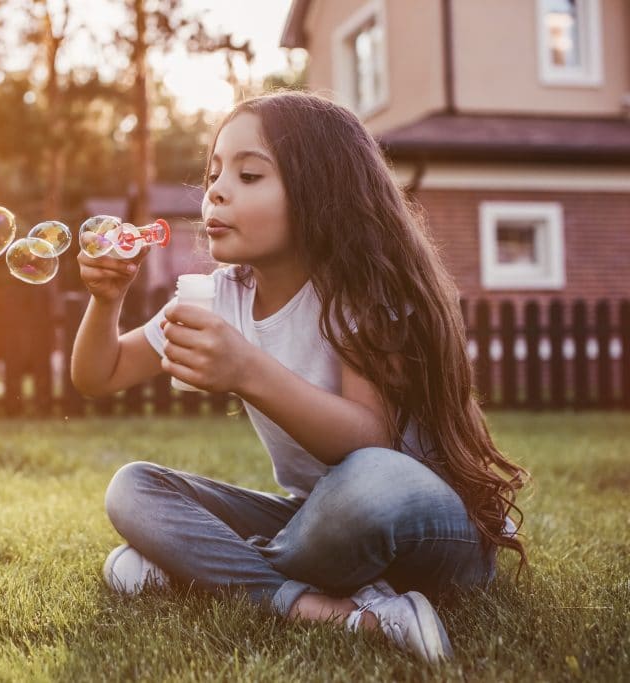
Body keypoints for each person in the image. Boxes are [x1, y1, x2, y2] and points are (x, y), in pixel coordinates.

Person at [69, 90, 528, 663]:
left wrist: (247, 370)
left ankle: (199, 569)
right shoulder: (222, 297)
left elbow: (370, 442)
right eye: (214, 173)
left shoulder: (362, 292)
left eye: (249, 174)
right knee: (133, 488)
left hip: (425, 527)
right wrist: (107, 300)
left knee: (368, 484)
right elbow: (100, 374)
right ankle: (327, 609)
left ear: (321, 191)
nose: (215, 189)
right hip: (315, 524)